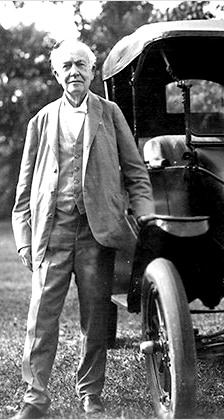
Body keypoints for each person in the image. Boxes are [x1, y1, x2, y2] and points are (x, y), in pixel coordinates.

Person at [11, 39, 155, 419]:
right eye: (67, 67)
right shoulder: (40, 121)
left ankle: (90, 392)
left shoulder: (109, 113)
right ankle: (34, 398)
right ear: (57, 74)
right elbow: (24, 187)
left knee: (95, 318)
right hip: (51, 231)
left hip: (97, 231)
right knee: (41, 317)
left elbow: (136, 172)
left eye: (81, 65)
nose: (74, 72)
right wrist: (24, 239)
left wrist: (144, 216)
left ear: (92, 71)